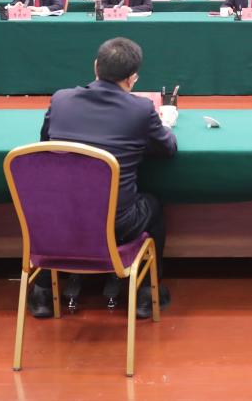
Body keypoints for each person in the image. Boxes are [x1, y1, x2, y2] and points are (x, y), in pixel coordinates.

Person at [36, 37, 178, 319]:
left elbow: (45, 142)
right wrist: (163, 125)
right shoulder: (141, 109)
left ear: (96, 66)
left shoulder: (61, 99)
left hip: (59, 217)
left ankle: (41, 290)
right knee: (153, 205)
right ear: (132, 78)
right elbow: (168, 149)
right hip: (117, 223)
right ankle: (146, 293)